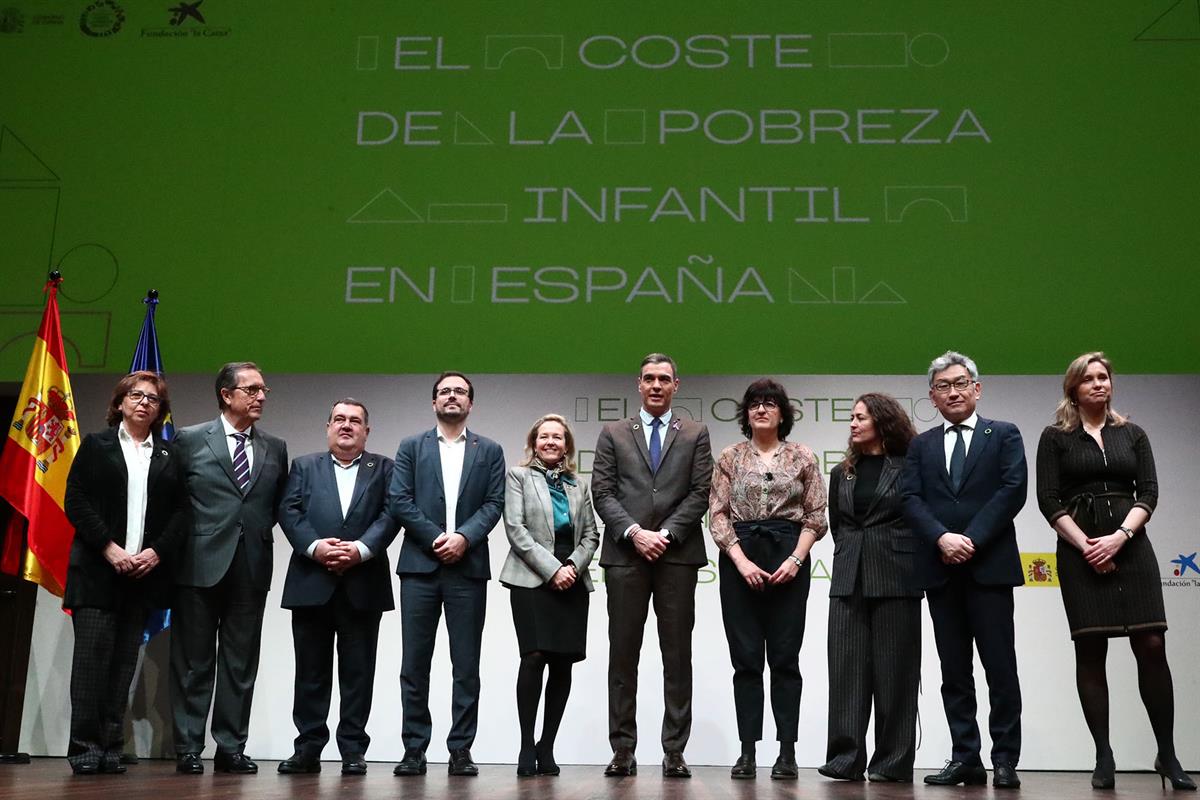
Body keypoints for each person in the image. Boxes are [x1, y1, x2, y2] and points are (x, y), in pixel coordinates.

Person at [1035, 352, 1194, 791]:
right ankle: (1103, 754)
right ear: (1073, 388)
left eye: (1104, 377)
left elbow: (1150, 492)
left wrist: (1120, 537)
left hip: (1131, 546)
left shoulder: (1133, 434)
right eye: (1088, 379)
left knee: (1151, 643)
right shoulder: (1055, 438)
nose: (1098, 384)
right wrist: (1086, 544)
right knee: (1091, 651)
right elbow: (1048, 500)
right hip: (1079, 551)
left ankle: (1168, 753)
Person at [901, 351, 1027, 789]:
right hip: (940, 568)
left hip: (988, 567)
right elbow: (910, 498)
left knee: (1000, 668)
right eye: (942, 386)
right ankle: (966, 758)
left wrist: (969, 538)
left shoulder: (1004, 435)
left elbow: (1013, 491)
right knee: (954, 671)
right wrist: (941, 538)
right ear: (931, 397)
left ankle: (1006, 759)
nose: (952, 391)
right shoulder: (921, 445)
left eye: (960, 383)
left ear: (977, 388)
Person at [592, 353, 713, 779]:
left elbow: (701, 492)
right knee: (623, 656)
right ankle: (622, 749)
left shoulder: (696, 432)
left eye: (664, 379)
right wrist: (634, 533)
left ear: (676, 385)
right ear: (638, 385)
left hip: (676, 555)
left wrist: (665, 534)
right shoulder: (613, 432)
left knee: (677, 656)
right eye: (649, 379)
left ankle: (674, 751)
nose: (656, 385)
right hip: (626, 555)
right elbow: (602, 492)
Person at [62, 372, 187, 775]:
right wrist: (109, 548)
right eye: (136, 395)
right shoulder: (96, 445)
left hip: (141, 577)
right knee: (89, 668)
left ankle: (111, 749)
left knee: (121, 669)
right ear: (119, 403)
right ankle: (84, 749)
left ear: (160, 410)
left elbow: (181, 512)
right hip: (98, 574)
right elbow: (75, 500)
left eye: (153, 399)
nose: (144, 403)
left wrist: (156, 553)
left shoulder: (169, 456)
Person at [170, 362, 289, 775]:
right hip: (198, 564)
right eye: (252, 389)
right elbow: (173, 500)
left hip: (251, 565)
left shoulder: (275, 447)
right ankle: (187, 747)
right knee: (193, 661)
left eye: (263, 390)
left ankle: (230, 747)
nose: (260, 397)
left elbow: (274, 506)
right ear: (226, 394)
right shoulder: (187, 439)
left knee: (240, 664)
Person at [387, 372, 505, 777]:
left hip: (468, 568)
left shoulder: (489, 450)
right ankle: (414, 750)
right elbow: (399, 500)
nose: (451, 396)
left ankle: (460, 750)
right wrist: (439, 538)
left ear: (470, 403)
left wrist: (464, 539)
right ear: (433, 401)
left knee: (465, 664)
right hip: (420, 568)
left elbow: (494, 504)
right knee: (414, 664)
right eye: (444, 391)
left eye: (459, 392)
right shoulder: (410, 447)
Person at [708, 378, 826, 781]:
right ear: (745, 413)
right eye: (754, 404)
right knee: (745, 660)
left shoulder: (803, 456)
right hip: (741, 557)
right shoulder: (729, 456)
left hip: (789, 556)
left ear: (782, 412)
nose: (761, 409)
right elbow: (718, 514)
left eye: (770, 403)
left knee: (785, 658)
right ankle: (747, 752)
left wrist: (796, 558)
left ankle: (787, 752)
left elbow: (816, 515)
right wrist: (740, 561)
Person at [276, 399, 400, 776]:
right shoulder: (304, 466)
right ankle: (308, 749)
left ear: (367, 431)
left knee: (358, 673)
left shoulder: (385, 469)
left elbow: (392, 513)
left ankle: (352, 751)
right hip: (312, 581)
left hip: (363, 582)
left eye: (355, 421)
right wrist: (317, 548)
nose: (347, 426)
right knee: (310, 672)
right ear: (327, 426)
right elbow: (289, 511)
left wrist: (360, 550)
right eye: (340, 420)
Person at [818, 393, 920, 783]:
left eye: (860, 417)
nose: (853, 424)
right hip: (848, 578)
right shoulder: (842, 471)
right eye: (851, 418)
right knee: (846, 671)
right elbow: (840, 525)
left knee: (896, 674)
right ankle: (845, 758)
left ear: (882, 421)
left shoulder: (909, 467)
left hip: (897, 575)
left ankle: (892, 762)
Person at [498, 414, 600, 777]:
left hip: (572, 581)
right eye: (544, 436)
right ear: (534, 442)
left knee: (562, 663)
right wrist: (552, 569)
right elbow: (515, 528)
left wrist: (570, 566)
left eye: (558, 437)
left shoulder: (579, 484)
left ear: (567, 445)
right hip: (530, 580)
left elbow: (591, 535)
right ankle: (527, 744)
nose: (551, 442)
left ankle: (547, 745)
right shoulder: (518, 476)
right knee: (534, 656)